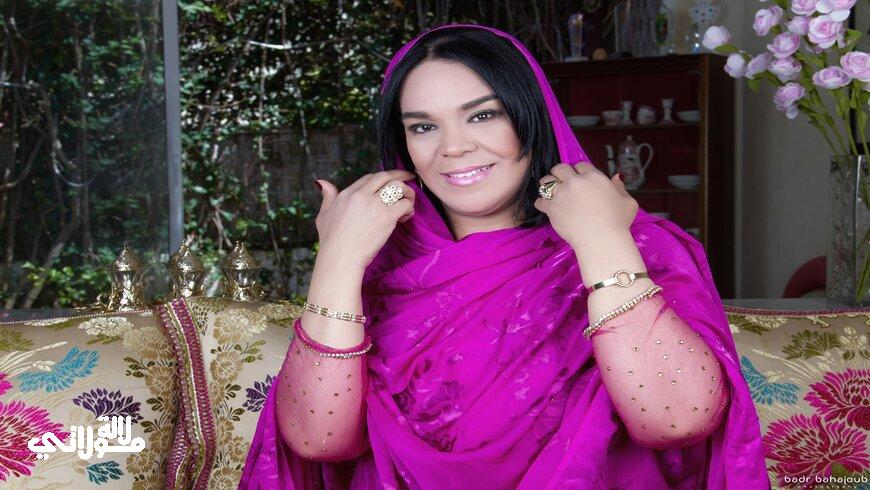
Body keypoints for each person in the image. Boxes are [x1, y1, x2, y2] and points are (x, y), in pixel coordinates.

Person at [239, 24, 769, 489]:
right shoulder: (380, 266)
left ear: (531, 118)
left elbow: (677, 420)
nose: (453, 147)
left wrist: (601, 243)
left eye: (483, 115)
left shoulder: (638, 248)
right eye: (423, 126)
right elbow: (317, 440)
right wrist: (337, 258)